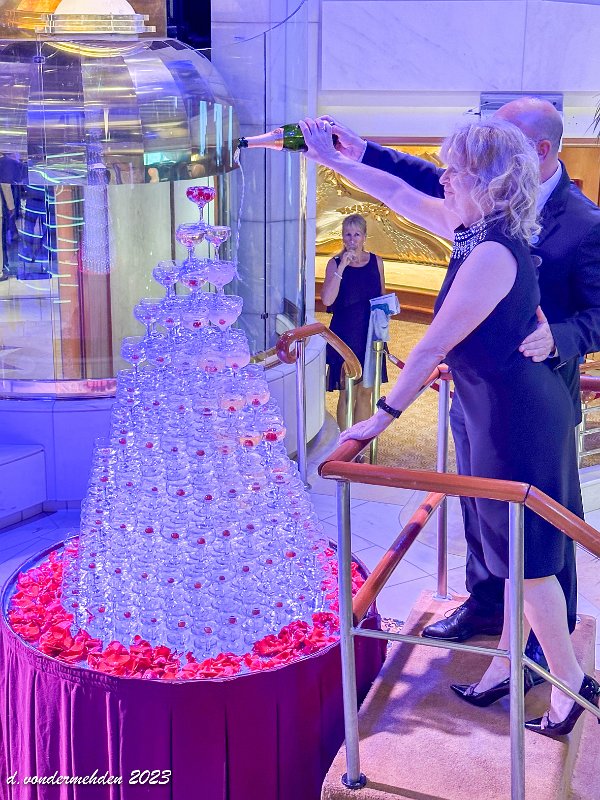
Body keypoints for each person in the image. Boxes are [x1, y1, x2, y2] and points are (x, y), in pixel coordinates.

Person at [299, 115, 600, 737]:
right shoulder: (476, 230)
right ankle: (506, 668)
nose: (444, 179)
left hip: (518, 419)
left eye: (454, 171)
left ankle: (569, 689)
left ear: (487, 182)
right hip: (497, 411)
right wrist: (333, 160)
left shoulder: (491, 253)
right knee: (511, 554)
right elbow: (399, 193)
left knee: (528, 561)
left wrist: (380, 418)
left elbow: (432, 344)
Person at [321, 213, 387, 430]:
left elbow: (381, 296)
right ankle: (344, 440)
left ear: (364, 237)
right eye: (348, 234)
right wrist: (342, 268)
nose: (352, 239)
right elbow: (327, 300)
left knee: (366, 391)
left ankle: (360, 442)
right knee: (347, 392)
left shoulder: (377, 262)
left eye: (357, 234)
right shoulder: (334, 264)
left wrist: (389, 309)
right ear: (342, 237)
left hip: (370, 334)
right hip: (345, 334)